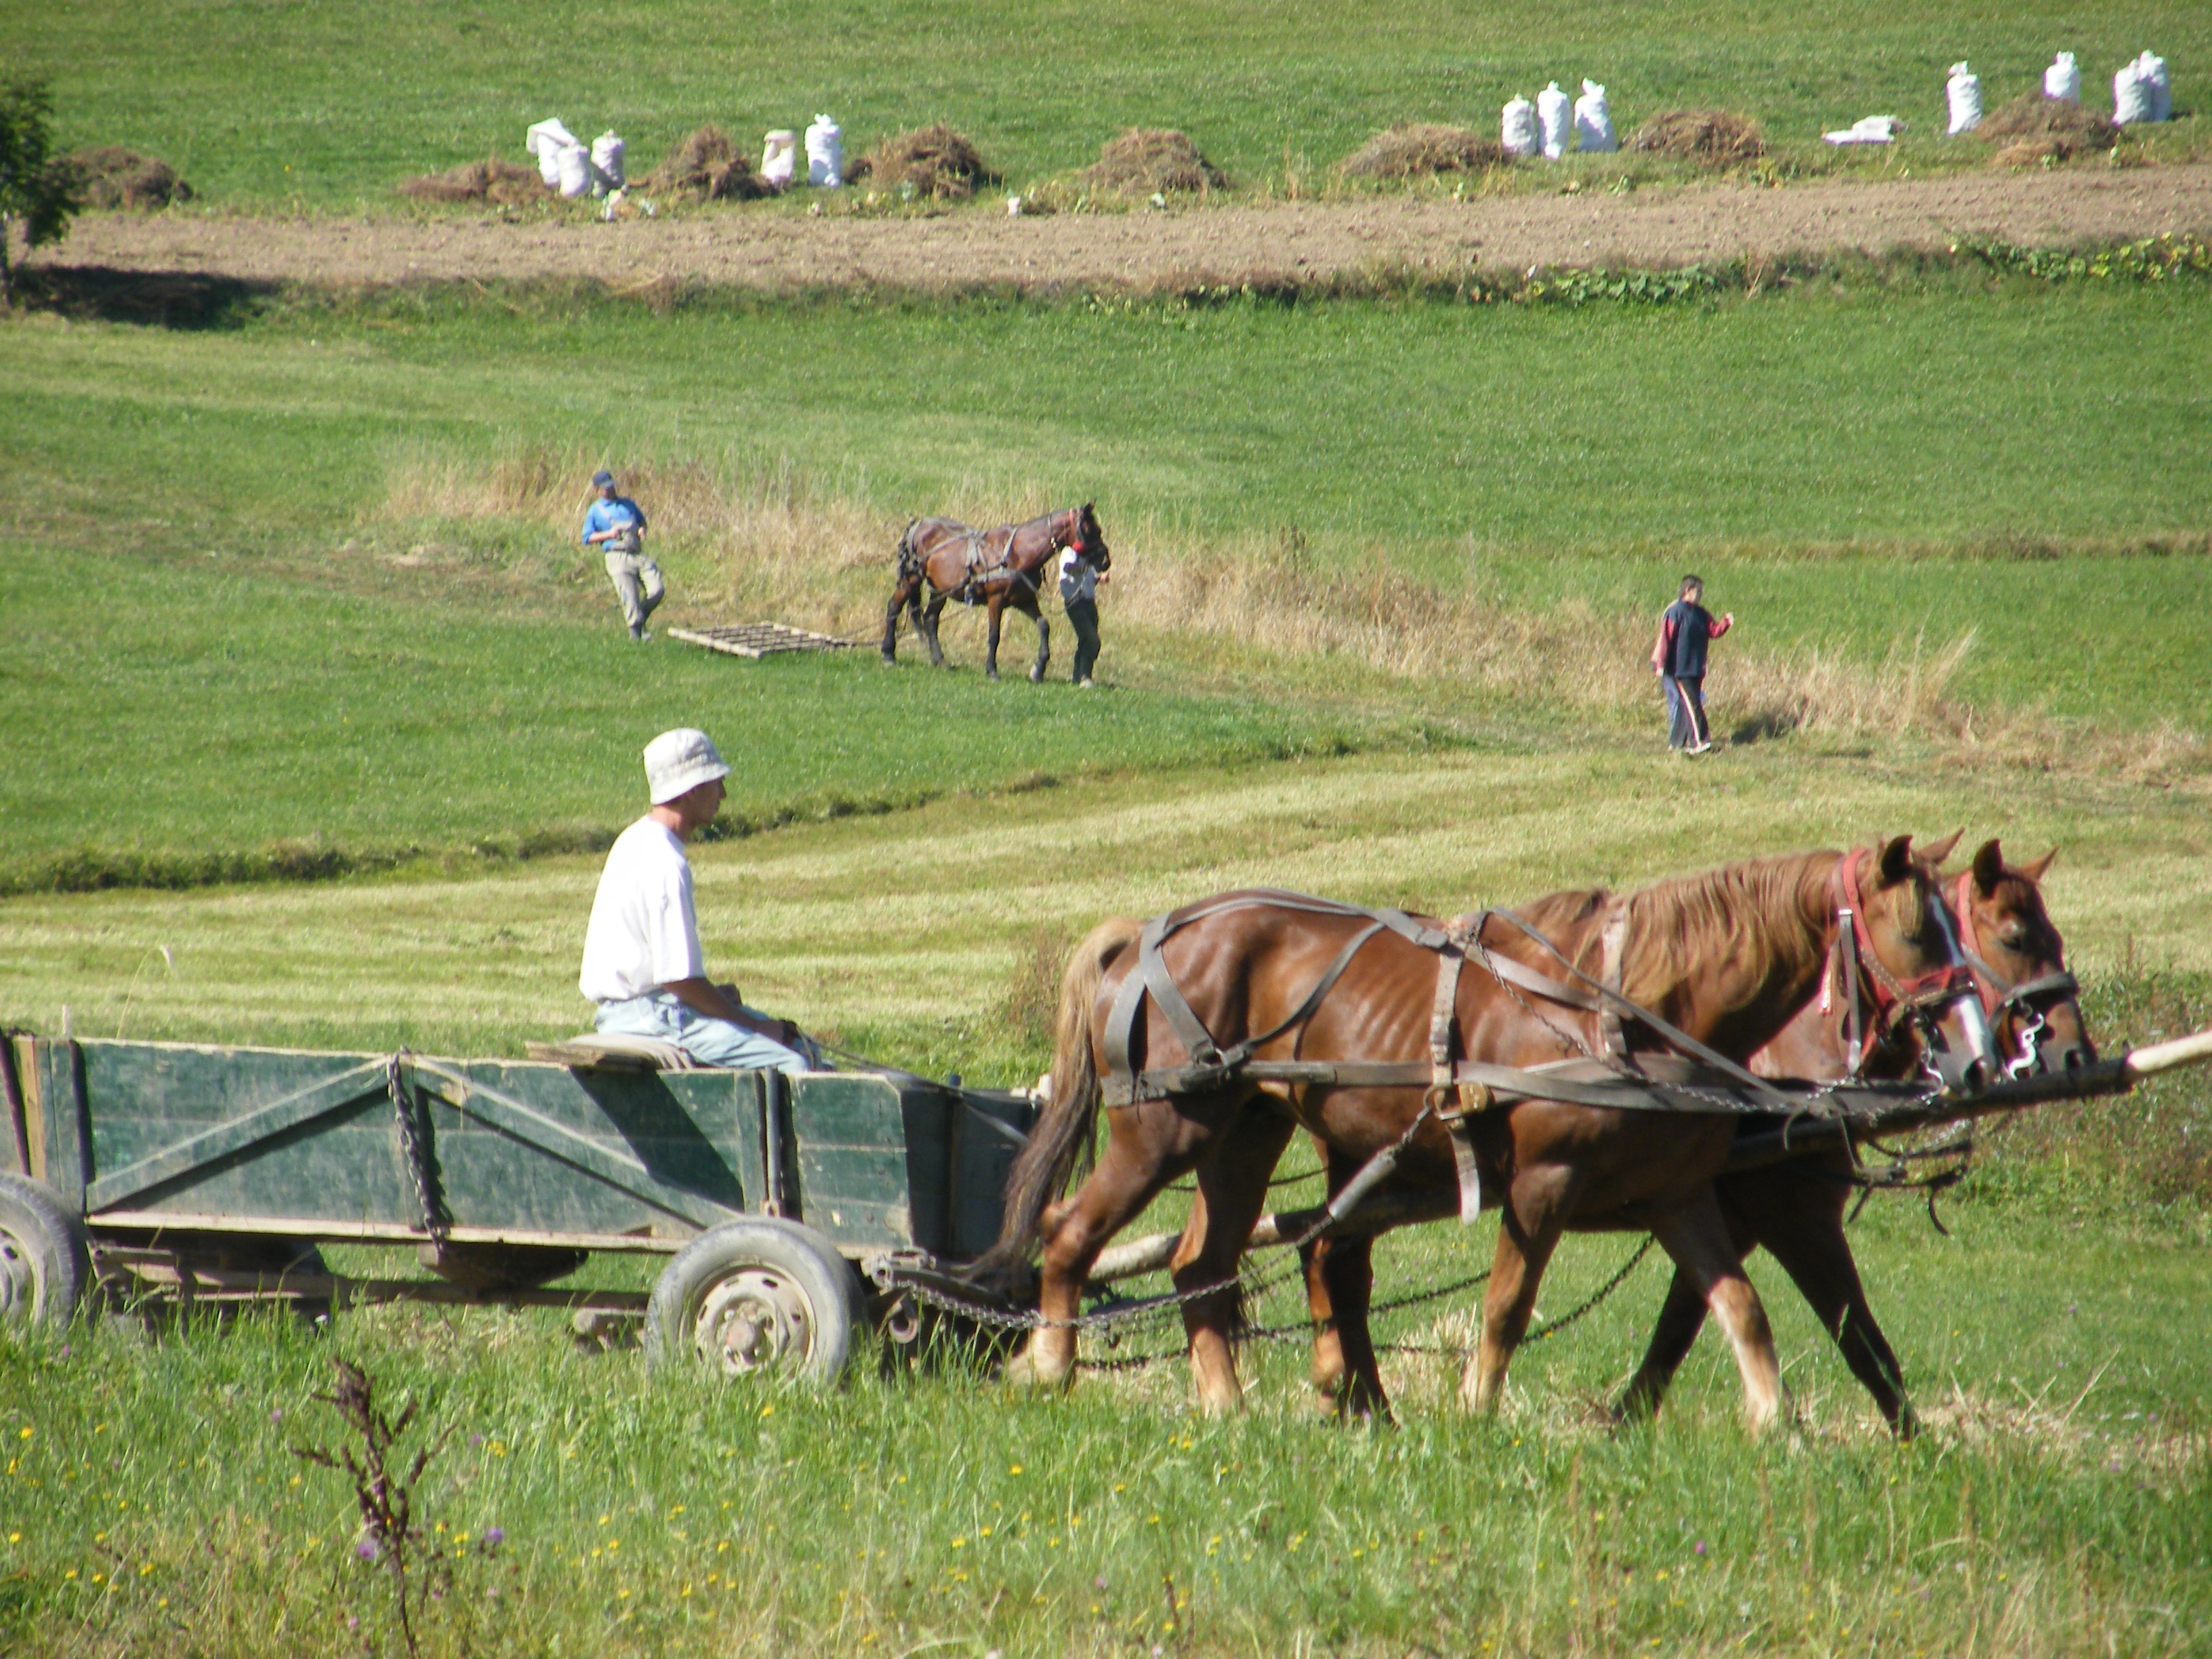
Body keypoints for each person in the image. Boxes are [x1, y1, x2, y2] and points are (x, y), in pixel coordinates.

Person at [579, 729, 826, 1075]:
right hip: (653, 1017)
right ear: (692, 790)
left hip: (637, 1010)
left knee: (798, 1043)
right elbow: (679, 979)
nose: (723, 794)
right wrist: (751, 1025)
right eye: (716, 783)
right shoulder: (666, 862)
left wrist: (719, 1001)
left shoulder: (635, 839)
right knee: (794, 1060)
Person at [1651, 575, 1733, 755]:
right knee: (1694, 704)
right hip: (1680, 669)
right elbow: (1666, 639)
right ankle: (1700, 741)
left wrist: (1725, 624)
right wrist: (1661, 664)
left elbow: (1713, 631)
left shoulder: (1701, 614)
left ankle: (1677, 743)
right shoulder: (1675, 612)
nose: (1701, 595)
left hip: (1697, 668)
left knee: (1685, 703)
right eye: (1699, 591)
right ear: (1688, 591)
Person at [581, 469, 662, 640]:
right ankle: (636, 635)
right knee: (630, 598)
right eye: (605, 488)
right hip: (616, 556)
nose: (610, 490)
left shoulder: (628, 504)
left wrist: (642, 530)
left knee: (657, 589)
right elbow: (587, 537)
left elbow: (641, 522)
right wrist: (609, 535)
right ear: (597, 489)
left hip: (636, 553)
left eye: (611, 486)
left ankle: (642, 620)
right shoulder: (595, 511)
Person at [1057, 539, 1108, 687]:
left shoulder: (1087, 557)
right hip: (1075, 603)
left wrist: (1099, 578)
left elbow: (1088, 578)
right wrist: (1086, 563)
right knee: (1092, 639)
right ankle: (1085, 677)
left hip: (1089, 602)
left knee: (1084, 641)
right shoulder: (1068, 553)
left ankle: (1078, 677)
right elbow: (1068, 569)